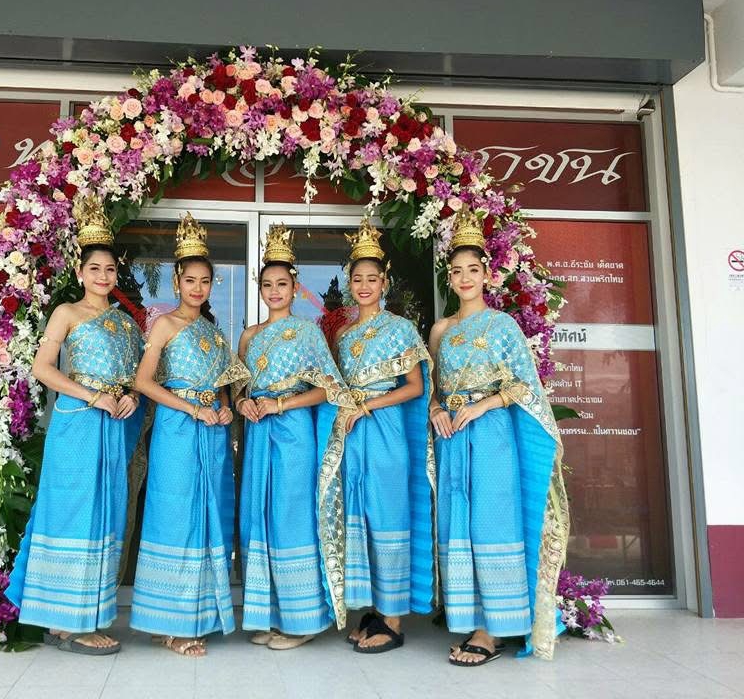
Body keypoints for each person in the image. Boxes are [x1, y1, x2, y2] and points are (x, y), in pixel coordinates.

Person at [6, 194, 145, 655]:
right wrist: (93, 396)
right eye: (95, 269)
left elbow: (137, 378)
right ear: (80, 272)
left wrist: (130, 397)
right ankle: (64, 623)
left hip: (113, 427)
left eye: (110, 270)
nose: (103, 276)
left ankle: (89, 617)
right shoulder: (66, 313)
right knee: (72, 512)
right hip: (78, 424)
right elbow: (42, 368)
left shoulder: (127, 324)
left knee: (106, 514)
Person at [429, 211, 569, 665]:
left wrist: (482, 405)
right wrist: (436, 409)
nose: (465, 278)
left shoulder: (503, 325)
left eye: (473, 269)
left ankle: (493, 630)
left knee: (491, 521)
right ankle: (471, 618)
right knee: (458, 522)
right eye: (457, 271)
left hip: (490, 433)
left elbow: (524, 386)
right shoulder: (441, 330)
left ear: (487, 274)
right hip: (452, 436)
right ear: (449, 279)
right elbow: (431, 387)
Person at [130, 212, 250, 657]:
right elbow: (144, 382)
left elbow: (225, 385)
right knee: (176, 514)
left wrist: (223, 406)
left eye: (205, 281)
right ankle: (172, 623)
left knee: (208, 515)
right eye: (190, 280)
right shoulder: (163, 324)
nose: (197, 288)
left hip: (212, 432)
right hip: (178, 429)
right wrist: (192, 408)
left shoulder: (214, 333)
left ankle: (200, 614)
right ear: (176, 281)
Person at [235, 224, 355, 650]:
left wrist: (281, 404)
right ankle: (269, 615)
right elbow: (240, 388)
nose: (274, 291)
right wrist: (243, 404)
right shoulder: (249, 336)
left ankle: (303, 621)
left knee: (290, 516)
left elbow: (329, 389)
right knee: (258, 514)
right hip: (258, 432)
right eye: (267, 284)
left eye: (282, 284)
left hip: (293, 431)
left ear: (295, 287)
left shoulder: (308, 332)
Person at [321, 216, 436, 654]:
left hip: (384, 431)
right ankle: (372, 608)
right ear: (349, 285)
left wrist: (366, 405)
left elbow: (414, 387)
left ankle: (393, 619)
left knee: (388, 516)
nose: (365, 285)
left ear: (384, 283)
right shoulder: (343, 334)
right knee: (359, 515)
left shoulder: (400, 329)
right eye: (357, 279)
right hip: (351, 435)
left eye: (372, 278)